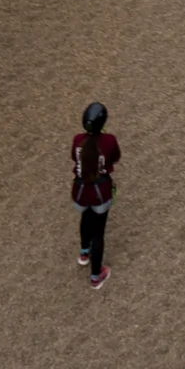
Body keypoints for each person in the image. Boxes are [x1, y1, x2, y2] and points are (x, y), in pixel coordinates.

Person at [71, 101, 120, 286]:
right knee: (98, 233)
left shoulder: (77, 140)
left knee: (85, 218)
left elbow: (73, 158)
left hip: (80, 191)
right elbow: (115, 158)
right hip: (100, 192)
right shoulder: (109, 141)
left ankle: (84, 253)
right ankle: (96, 276)